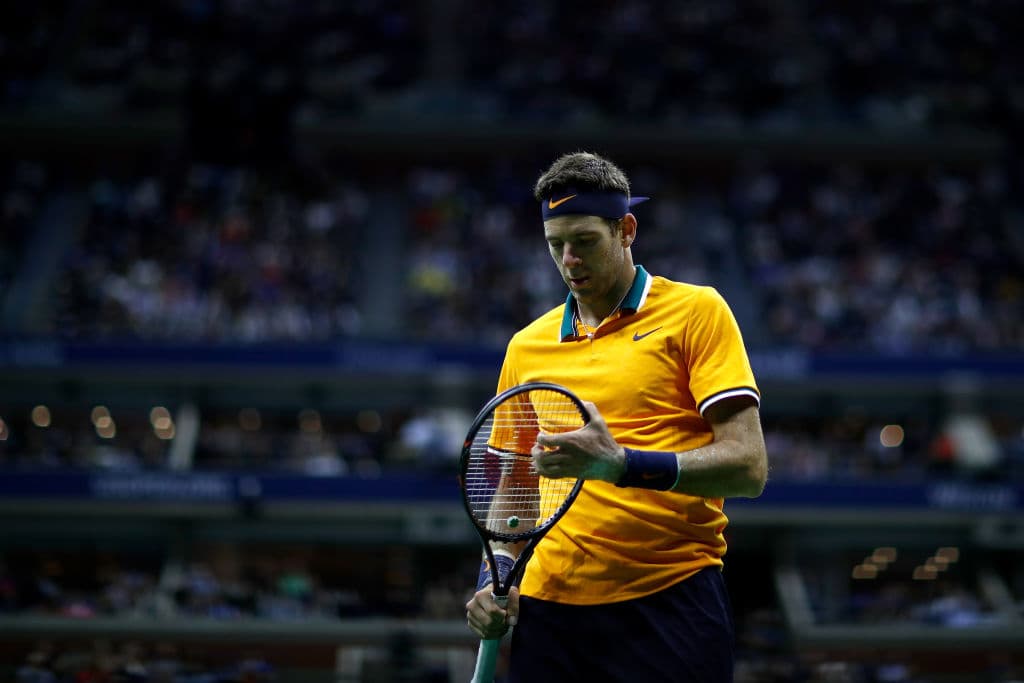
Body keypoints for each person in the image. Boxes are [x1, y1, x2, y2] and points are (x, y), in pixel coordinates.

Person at [464, 151, 768, 682]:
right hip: (549, 610)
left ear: (626, 230)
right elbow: (514, 489)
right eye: (555, 245)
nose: (569, 261)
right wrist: (497, 574)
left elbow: (748, 467)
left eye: (585, 242)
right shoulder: (526, 347)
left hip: (669, 600)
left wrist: (622, 464)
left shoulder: (697, 312)